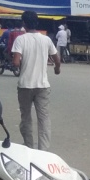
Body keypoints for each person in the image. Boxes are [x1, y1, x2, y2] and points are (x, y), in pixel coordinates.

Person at [12, 10, 61, 151]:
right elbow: (57, 59)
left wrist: (17, 63)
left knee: (26, 117)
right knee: (44, 118)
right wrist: (57, 69)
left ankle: (28, 145)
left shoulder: (20, 39)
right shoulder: (46, 39)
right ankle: (43, 150)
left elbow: (16, 62)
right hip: (42, 86)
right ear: (37, 22)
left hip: (25, 85)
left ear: (24, 23)